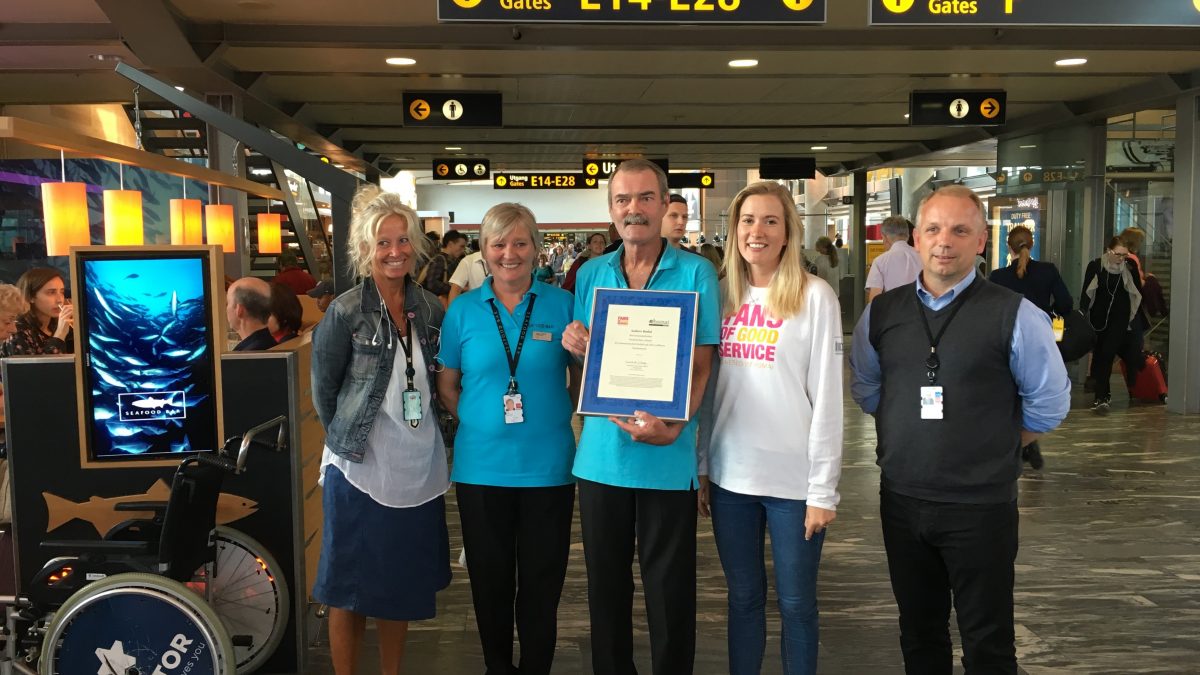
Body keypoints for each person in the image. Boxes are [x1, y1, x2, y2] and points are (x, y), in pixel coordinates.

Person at [849, 185, 1071, 675]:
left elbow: (1049, 403)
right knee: (919, 633)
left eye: (959, 230)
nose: (944, 241)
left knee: (987, 640)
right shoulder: (881, 314)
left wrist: (991, 442)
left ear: (980, 243)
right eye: (933, 229)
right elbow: (867, 388)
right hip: (902, 500)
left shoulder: (1014, 314)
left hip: (981, 506)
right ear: (916, 239)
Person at [561, 159, 719, 675]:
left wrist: (674, 427)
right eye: (623, 200)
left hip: (667, 455)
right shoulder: (591, 273)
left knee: (669, 591)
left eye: (646, 198)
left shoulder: (695, 272)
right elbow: (591, 360)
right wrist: (577, 343)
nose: (635, 210)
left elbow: (701, 364)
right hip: (601, 458)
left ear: (664, 203)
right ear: (611, 210)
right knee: (606, 590)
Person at [701, 182, 843, 675]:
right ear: (734, 229)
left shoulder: (815, 297)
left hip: (793, 485)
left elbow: (828, 397)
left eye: (769, 221)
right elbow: (707, 388)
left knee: (798, 604)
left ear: (788, 233)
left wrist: (823, 489)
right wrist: (702, 467)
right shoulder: (720, 295)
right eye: (747, 220)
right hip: (730, 477)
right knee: (742, 600)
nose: (756, 231)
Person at [310, 185, 449, 675]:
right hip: (359, 471)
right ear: (365, 250)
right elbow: (324, 393)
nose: (394, 251)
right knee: (347, 587)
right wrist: (350, 441)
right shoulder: (345, 311)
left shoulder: (430, 310)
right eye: (382, 243)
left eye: (402, 240)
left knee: (399, 585)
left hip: (418, 467)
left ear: (415, 244)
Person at [437, 203, 580, 675]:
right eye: (499, 244)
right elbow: (447, 385)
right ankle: (497, 667)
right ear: (484, 250)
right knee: (490, 584)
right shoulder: (462, 311)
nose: (509, 254)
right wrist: (480, 420)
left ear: (537, 250)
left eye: (520, 243)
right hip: (481, 470)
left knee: (542, 584)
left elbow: (581, 376)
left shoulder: (563, 305)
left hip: (548, 469)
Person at [1081, 237, 1148, 415]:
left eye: (1124, 255)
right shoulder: (1096, 266)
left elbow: (1137, 294)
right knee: (1101, 354)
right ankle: (1104, 393)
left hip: (1121, 317)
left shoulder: (1129, 268)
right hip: (1099, 318)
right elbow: (1086, 292)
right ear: (1108, 251)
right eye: (1118, 254)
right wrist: (1081, 313)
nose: (1121, 259)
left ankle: (1102, 397)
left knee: (1108, 353)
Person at [988, 225, 1072, 317]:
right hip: (1039, 328)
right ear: (1031, 246)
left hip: (1007, 329)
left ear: (1009, 247)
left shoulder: (997, 277)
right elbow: (1065, 304)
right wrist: (1049, 312)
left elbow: (989, 309)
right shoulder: (1048, 270)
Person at [10, 267, 74, 355]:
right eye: (51, 292)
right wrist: (60, 333)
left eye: (62, 292)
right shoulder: (17, 331)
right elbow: (41, 368)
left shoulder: (57, 324)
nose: (60, 300)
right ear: (31, 297)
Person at [865, 215, 921, 303]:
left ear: (885, 238)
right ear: (907, 235)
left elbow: (874, 301)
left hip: (891, 314)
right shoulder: (923, 258)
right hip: (921, 314)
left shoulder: (880, 262)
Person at [226, 276, 277, 351]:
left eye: (228, 303)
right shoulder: (272, 345)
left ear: (239, 310)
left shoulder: (244, 358)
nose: (226, 308)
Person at [418, 229, 468, 304]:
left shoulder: (452, 260)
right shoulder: (440, 259)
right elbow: (432, 284)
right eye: (461, 246)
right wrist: (456, 288)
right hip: (435, 305)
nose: (463, 250)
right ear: (450, 244)